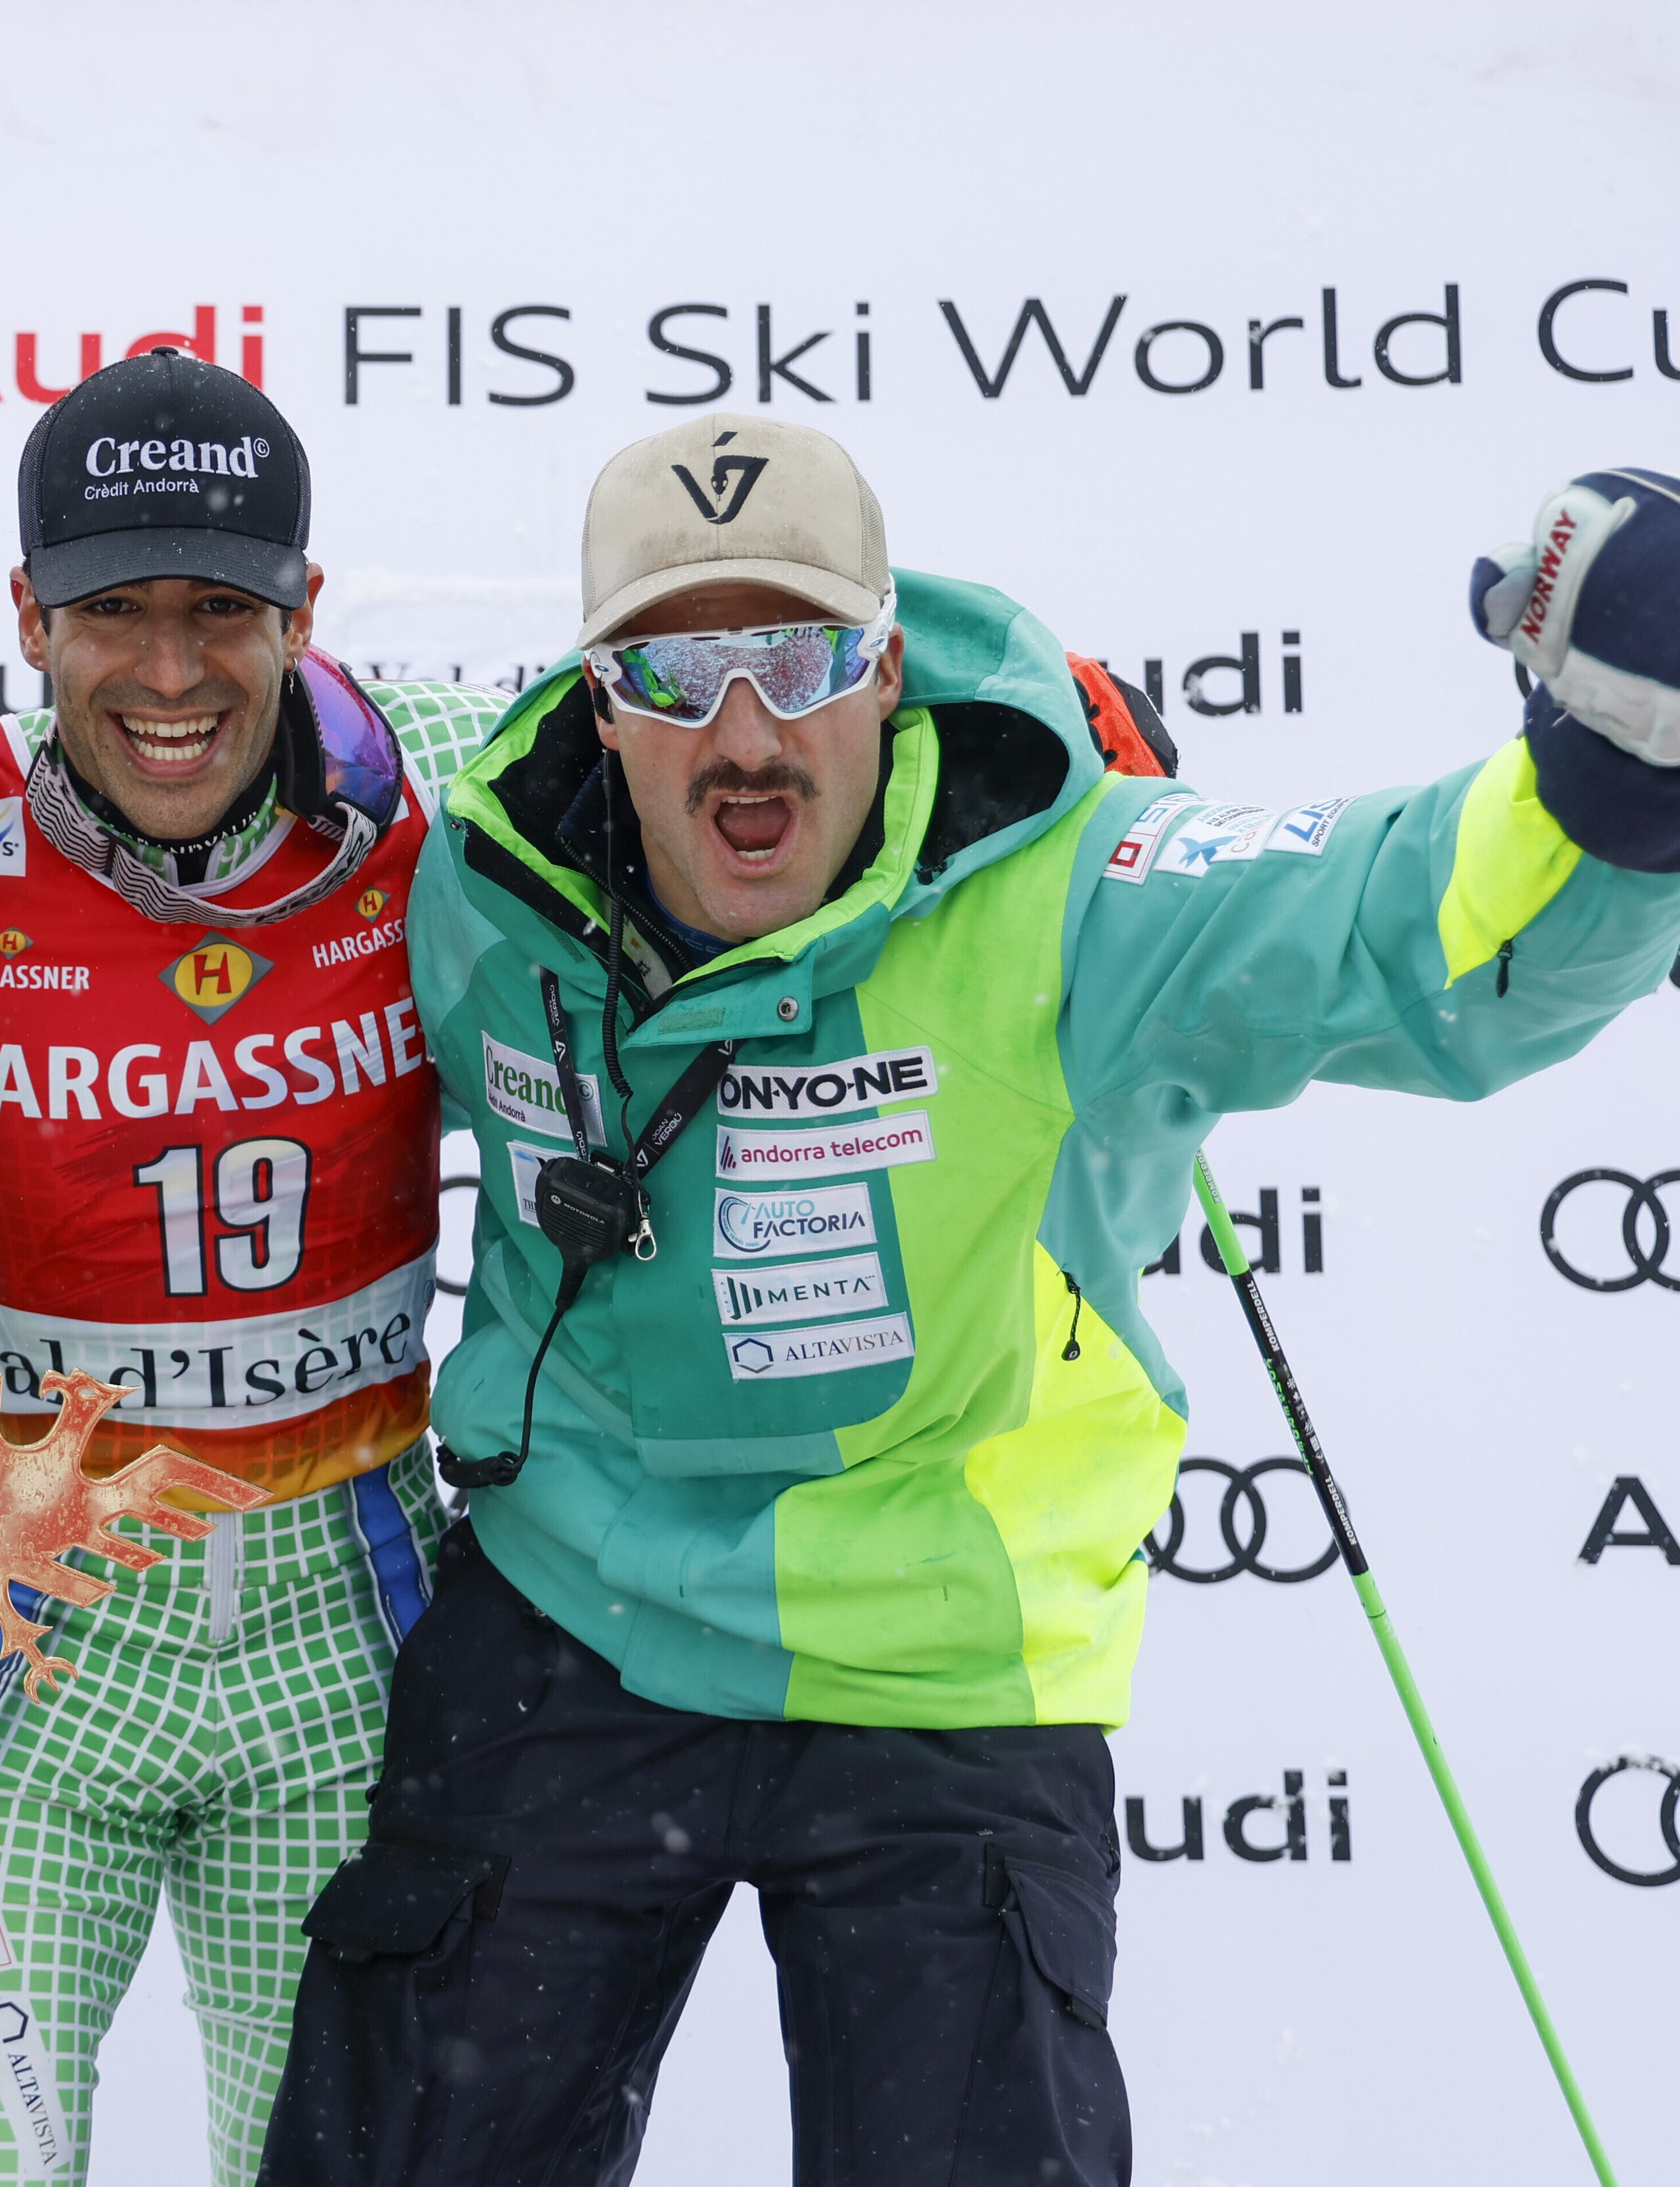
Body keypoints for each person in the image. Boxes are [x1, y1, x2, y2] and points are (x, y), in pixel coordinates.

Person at [259, 412, 1680, 2184]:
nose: (746, 731)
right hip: (575, 1619)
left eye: (799, 658)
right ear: (599, 697)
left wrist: (1619, 772)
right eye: (678, 670)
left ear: (891, 663)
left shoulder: (1077, 893)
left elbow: (1423, 935)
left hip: (944, 1662)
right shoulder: (482, 881)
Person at [0, 348, 506, 2184]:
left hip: (338, 1604)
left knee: (344, 2160)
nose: (175, 671)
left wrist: (1016, 730)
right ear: (27, 614)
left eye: (226, 611)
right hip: (14, 1598)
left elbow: (743, 756)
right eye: (117, 612)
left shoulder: (437, 779)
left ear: (308, 611)